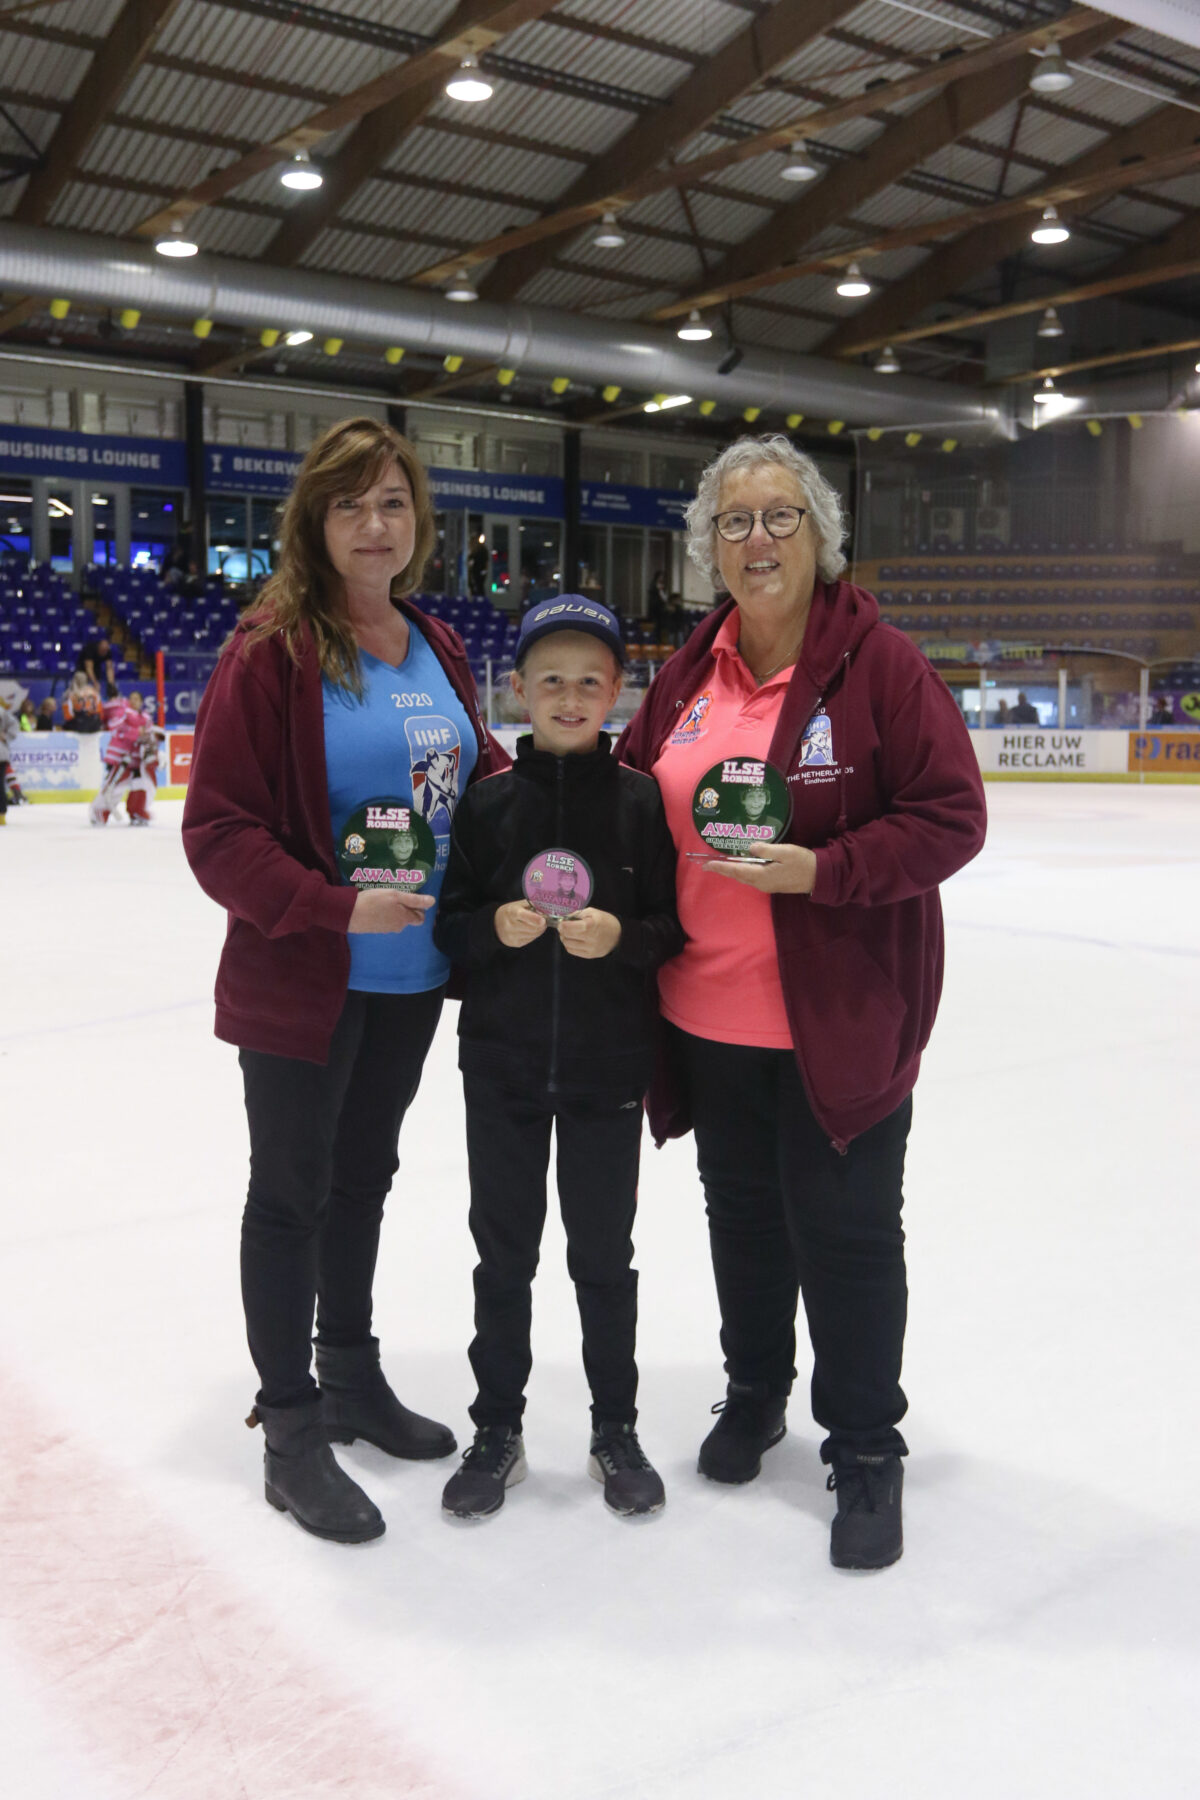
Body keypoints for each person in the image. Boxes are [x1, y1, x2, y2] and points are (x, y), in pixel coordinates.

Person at [619, 434, 986, 1572]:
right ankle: (755, 1394)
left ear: (821, 537)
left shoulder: (880, 666)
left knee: (851, 1235)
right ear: (709, 548)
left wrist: (825, 873)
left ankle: (867, 1449)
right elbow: (631, 800)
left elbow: (948, 818)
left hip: (835, 1025)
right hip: (706, 1016)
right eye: (735, 522)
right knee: (743, 1219)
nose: (758, 539)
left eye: (781, 517)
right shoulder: (688, 671)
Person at [182, 417, 509, 1545]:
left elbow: (476, 772)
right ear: (314, 523)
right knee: (292, 1193)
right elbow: (217, 834)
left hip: (412, 976)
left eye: (395, 504)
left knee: (362, 1178)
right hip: (303, 981)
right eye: (351, 505)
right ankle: (289, 1430)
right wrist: (333, 908)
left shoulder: (433, 640)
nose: (376, 525)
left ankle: (350, 1376)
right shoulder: (270, 650)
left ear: (419, 523)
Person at [434, 597, 683, 1523]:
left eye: (589, 681)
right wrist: (490, 932)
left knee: (602, 1260)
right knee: (502, 1258)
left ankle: (614, 1428)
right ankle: (496, 1428)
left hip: (605, 1069)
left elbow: (668, 930)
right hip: (499, 1068)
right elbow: (450, 925)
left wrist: (620, 936)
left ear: (617, 691)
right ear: (519, 690)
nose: (569, 697)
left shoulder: (640, 801)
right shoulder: (491, 802)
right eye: (551, 681)